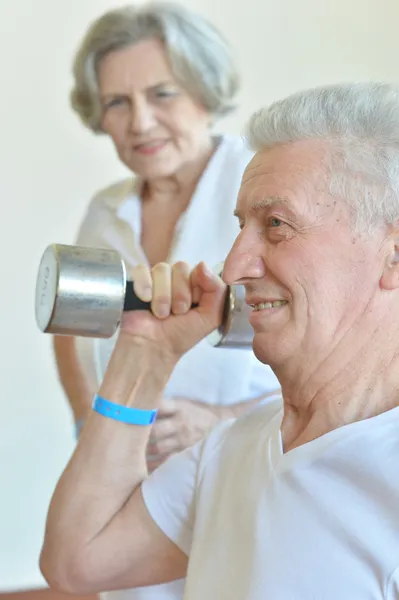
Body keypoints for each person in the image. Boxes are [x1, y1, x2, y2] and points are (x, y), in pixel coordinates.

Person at [41, 80, 399, 599]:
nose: (234, 265)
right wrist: (147, 353)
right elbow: (77, 562)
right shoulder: (236, 447)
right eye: (241, 226)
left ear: (392, 255)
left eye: (277, 225)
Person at [52, 3, 281, 599]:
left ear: (203, 92)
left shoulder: (260, 190)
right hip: (130, 487)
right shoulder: (105, 212)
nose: (141, 122)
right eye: (118, 103)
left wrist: (222, 424)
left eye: (162, 93)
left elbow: (340, 343)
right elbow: (73, 331)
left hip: (247, 472)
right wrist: (92, 426)